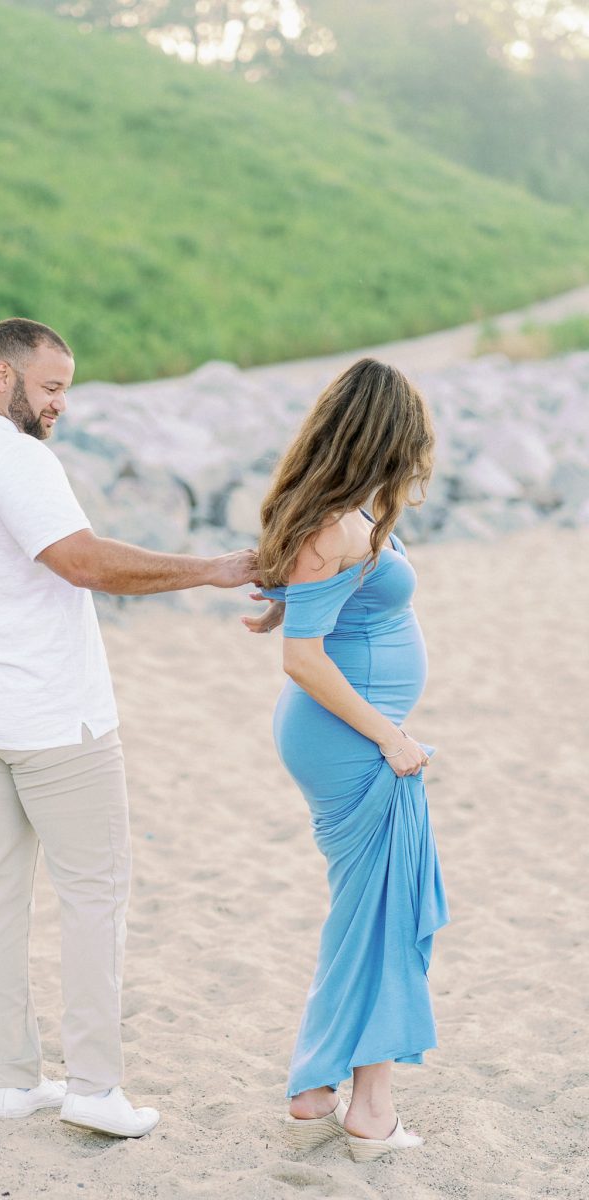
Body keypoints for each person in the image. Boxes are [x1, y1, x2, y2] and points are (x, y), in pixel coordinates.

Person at [0, 317, 257, 1139]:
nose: (63, 404)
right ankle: (93, 1086)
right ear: (1, 376)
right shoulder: (16, 459)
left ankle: (17, 1081)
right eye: (51, 386)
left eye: (67, 387)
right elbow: (84, 562)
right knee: (94, 895)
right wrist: (213, 569)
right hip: (51, 717)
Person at [243, 358, 449, 1163]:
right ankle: (370, 1111)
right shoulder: (340, 521)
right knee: (384, 914)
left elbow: (313, 611)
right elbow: (303, 659)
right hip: (352, 735)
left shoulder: (341, 513)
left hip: (343, 731)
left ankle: (315, 1088)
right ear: (389, 437)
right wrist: (391, 737)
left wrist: (287, 607)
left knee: (365, 911)